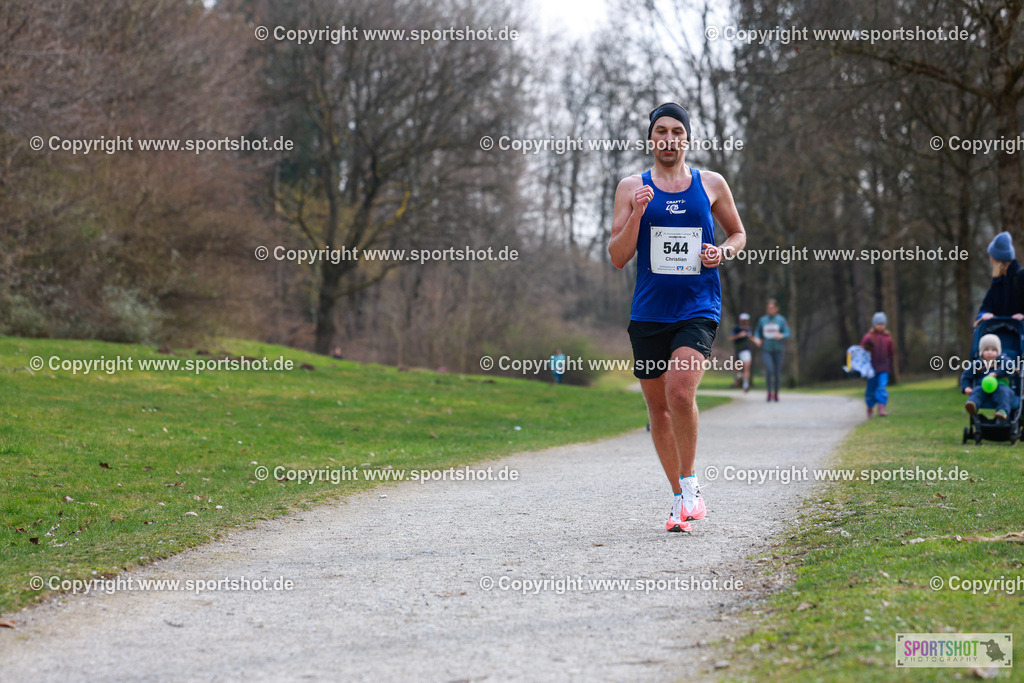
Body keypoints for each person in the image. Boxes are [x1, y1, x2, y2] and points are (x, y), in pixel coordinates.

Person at [608, 101, 746, 533]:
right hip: (648, 312)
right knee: (658, 410)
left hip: (697, 306)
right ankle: (678, 500)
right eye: (661, 132)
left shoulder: (711, 183)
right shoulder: (631, 186)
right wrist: (636, 213)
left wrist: (720, 252)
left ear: (688, 137)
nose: (669, 139)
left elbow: (738, 234)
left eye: (676, 132)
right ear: (651, 138)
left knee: (680, 394)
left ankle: (690, 484)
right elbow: (617, 256)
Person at [961, 334, 1015, 422]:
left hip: (1001, 385)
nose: (990, 352)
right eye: (986, 350)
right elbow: (966, 376)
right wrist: (966, 387)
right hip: (983, 386)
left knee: (1004, 393)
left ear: (999, 351)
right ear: (981, 351)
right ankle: (973, 404)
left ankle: (1002, 411)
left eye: (993, 350)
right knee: (976, 391)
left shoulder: (1003, 360)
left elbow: (1010, 366)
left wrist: (996, 373)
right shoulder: (977, 363)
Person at [976, 231, 1024, 326]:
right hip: (1001, 333)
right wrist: (984, 315)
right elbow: (986, 306)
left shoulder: (1021, 276)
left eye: (992, 257)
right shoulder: (998, 281)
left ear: (998, 260)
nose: (990, 260)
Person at [752, 299, 790, 402]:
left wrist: (781, 335)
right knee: (769, 369)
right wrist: (757, 339)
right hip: (766, 349)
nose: (771, 310)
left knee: (777, 372)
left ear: (777, 308)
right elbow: (757, 333)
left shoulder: (781, 320)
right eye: (769, 308)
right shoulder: (762, 320)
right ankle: (769, 393)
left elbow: (787, 332)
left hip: (778, 349)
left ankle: (776, 393)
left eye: (773, 308)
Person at [861, 312, 894, 418]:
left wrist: (890, 367)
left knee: (882, 387)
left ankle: (881, 406)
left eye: (882, 324)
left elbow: (891, 353)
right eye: (878, 324)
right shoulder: (869, 337)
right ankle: (870, 407)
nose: (880, 326)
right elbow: (862, 351)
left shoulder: (888, 338)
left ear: (885, 325)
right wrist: (867, 347)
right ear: (874, 324)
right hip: (871, 369)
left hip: (884, 368)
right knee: (870, 389)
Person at [729, 312, 753, 392]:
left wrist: (757, 341)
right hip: (738, 351)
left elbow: (751, 338)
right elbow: (731, 338)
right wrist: (739, 335)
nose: (745, 322)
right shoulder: (736, 329)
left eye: (746, 320)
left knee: (746, 368)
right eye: (743, 320)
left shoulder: (749, 329)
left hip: (746, 351)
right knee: (738, 369)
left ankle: (745, 385)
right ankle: (738, 378)